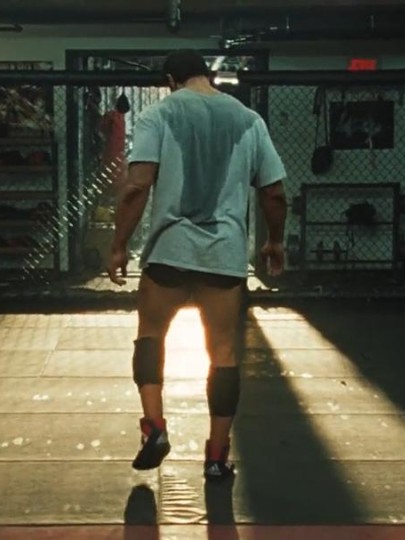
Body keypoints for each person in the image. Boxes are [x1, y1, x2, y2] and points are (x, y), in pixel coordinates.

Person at [107, 50, 288, 481]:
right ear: (207, 75)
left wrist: (118, 245)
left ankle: (154, 428)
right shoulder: (249, 121)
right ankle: (217, 457)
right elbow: (274, 192)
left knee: (150, 336)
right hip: (223, 255)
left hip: (169, 250)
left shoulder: (157, 115)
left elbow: (136, 187)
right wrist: (274, 240)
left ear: (171, 80)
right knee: (223, 352)